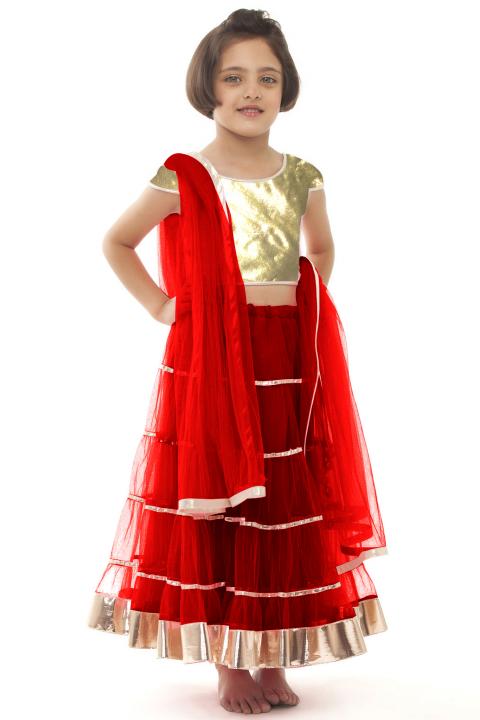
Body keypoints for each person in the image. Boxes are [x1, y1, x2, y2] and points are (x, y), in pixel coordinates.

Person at [87, 8, 388, 715]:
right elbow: (117, 242)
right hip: (212, 360)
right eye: (234, 77)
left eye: (267, 78)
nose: (251, 90)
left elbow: (321, 249)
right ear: (208, 87)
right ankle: (229, 664)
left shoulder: (303, 174)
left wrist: (301, 305)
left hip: (286, 357)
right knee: (223, 495)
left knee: (281, 499)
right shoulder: (185, 174)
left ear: (287, 89)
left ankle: (271, 652)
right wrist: (164, 308)